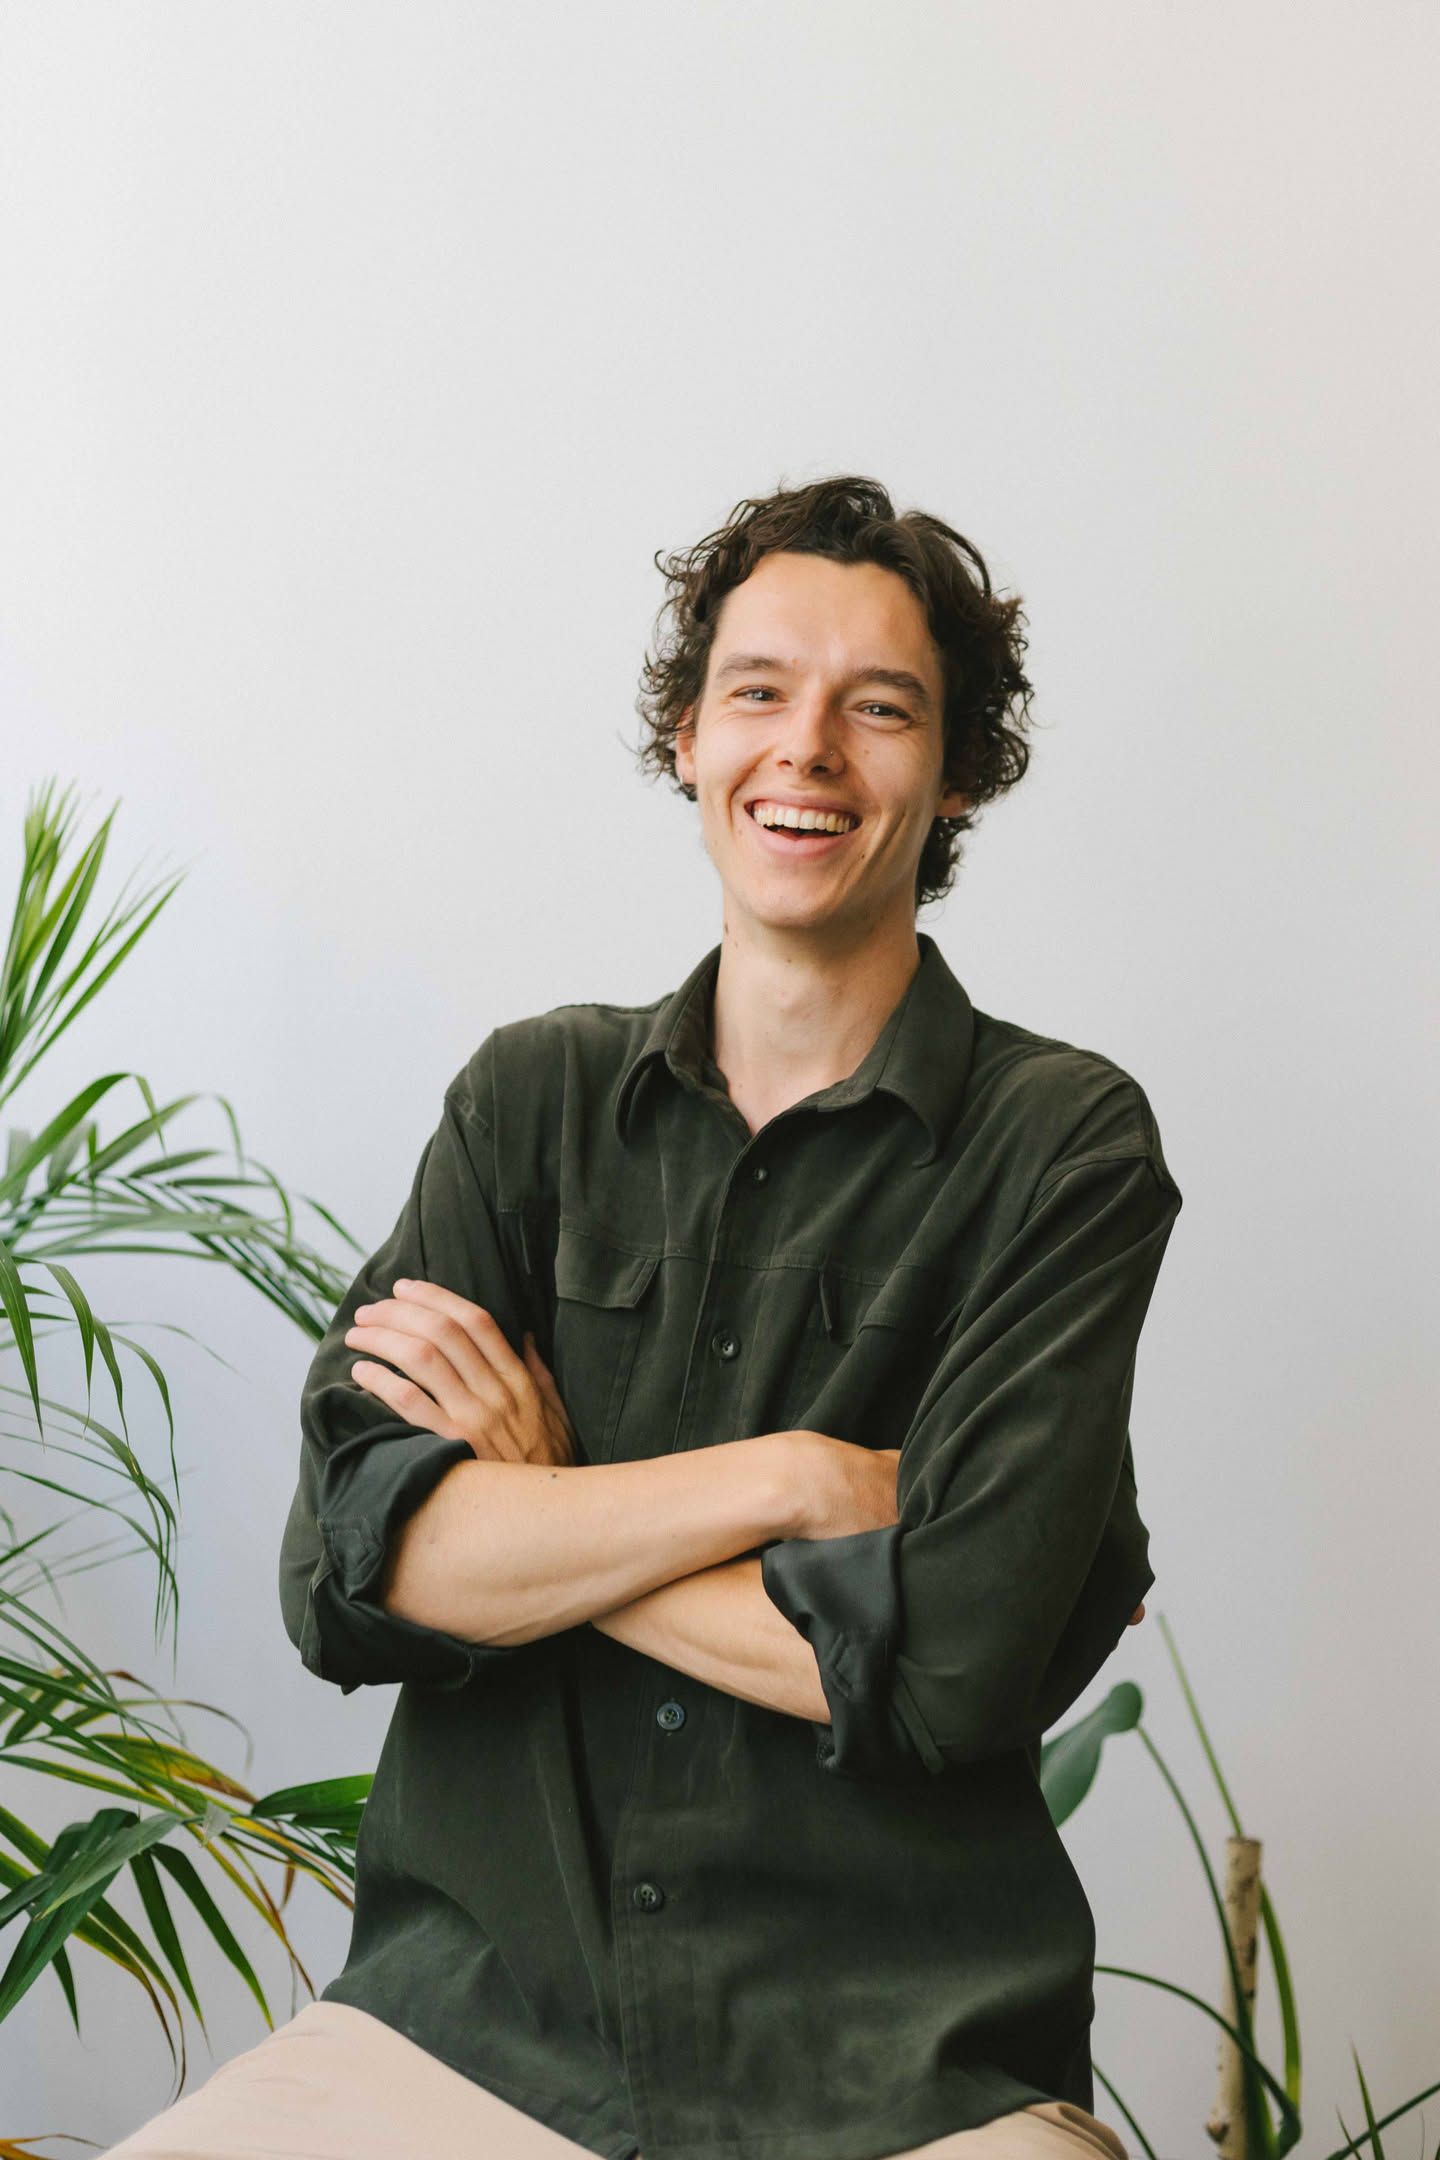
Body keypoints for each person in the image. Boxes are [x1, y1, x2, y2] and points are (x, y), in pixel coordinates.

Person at [106, 475, 1182, 2160]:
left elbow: (954, 1674)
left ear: (957, 770)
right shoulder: (528, 1104)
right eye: (758, 692)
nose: (807, 749)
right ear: (689, 737)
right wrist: (798, 1485)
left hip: (903, 2070)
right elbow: (351, 1573)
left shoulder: (1065, 1147)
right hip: (460, 2043)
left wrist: (547, 1510)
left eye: (878, 707)